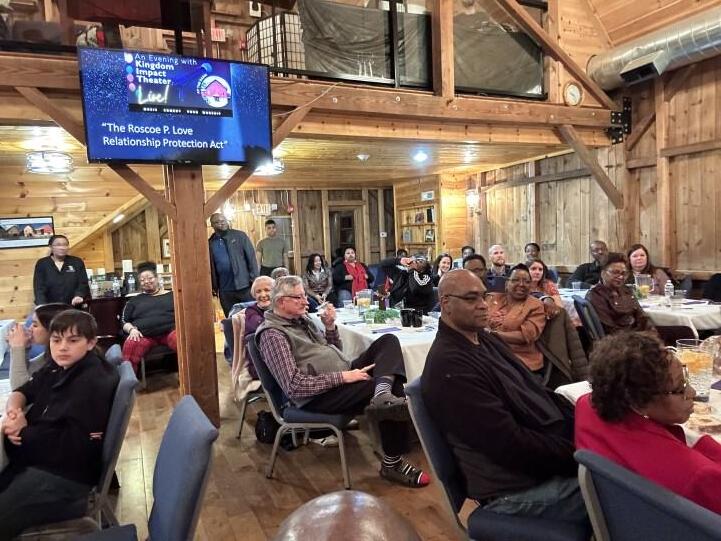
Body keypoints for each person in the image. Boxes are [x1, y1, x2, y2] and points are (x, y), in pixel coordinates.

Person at [421, 270, 587, 527]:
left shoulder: (484, 339)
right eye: (471, 298)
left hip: (539, 461)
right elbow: (509, 445)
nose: (482, 305)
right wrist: (578, 455)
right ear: (446, 303)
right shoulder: (449, 366)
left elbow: (533, 390)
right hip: (513, 490)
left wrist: (584, 427)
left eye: (484, 296)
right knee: (624, 488)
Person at [256, 276, 429, 488]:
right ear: (281, 302)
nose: (306, 301)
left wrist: (329, 327)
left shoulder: (301, 320)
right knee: (388, 386)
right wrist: (344, 377)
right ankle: (392, 463)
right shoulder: (273, 335)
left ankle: (382, 395)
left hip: (340, 376)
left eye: (304, 296)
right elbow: (294, 386)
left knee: (388, 341)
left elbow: (332, 352)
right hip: (316, 397)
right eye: (298, 297)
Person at [0, 310, 119, 538]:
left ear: (91, 342)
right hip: (42, 462)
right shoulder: (59, 366)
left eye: (73, 341)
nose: (63, 347)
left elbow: (72, 446)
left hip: (64, 477)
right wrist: (15, 412)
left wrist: (22, 431)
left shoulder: (92, 381)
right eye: (56, 340)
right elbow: (24, 390)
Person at [576, 331, 721, 515]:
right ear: (640, 401)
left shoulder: (585, 406)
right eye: (680, 388)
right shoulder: (699, 475)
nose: (692, 392)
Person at [487, 265, 547, 372]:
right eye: (515, 280)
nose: (521, 284)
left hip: (519, 359)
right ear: (506, 284)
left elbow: (526, 336)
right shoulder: (492, 298)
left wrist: (493, 335)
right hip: (490, 353)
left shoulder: (535, 305)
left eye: (526, 281)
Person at [120, 262, 176, 372]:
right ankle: (128, 379)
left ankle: (191, 376)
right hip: (144, 336)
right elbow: (124, 321)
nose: (146, 281)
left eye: (150, 278)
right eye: (142, 280)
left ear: (157, 278)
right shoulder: (134, 301)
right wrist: (131, 330)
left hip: (169, 333)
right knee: (131, 343)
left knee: (182, 339)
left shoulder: (172, 295)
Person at [7, 303, 72, 390]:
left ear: (51, 329)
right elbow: (29, 371)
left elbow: (20, 391)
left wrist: (17, 347)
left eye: (35, 325)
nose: (30, 329)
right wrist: (24, 348)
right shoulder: (50, 352)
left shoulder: (65, 356)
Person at [587, 252, 655, 335]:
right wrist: (641, 337)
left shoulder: (627, 290)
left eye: (624, 273)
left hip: (637, 334)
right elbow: (610, 330)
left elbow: (642, 317)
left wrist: (652, 332)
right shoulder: (596, 296)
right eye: (615, 272)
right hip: (620, 340)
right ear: (602, 273)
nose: (621, 277)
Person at [208, 213, 258, 317]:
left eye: (223, 221)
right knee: (231, 319)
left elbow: (251, 258)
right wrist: (214, 287)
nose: (221, 223)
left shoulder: (240, 236)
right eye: (217, 222)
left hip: (244, 287)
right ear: (212, 225)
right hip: (225, 290)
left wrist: (254, 280)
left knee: (251, 317)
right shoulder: (210, 242)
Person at [32, 234, 89, 307]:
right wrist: (42, 305)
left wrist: (79, 295)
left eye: (65, 245)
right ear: (51, 247)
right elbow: (39, 287)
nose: (62, 248)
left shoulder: (77, 262)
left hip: (73, 306)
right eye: (58, 245)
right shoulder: (42, 263)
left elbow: (83, 283)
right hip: (50, 307)